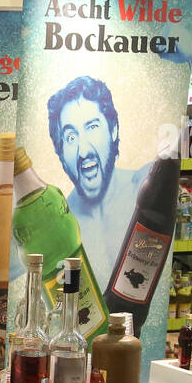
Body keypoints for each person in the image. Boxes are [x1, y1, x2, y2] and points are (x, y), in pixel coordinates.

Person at [45, 75, 147, 269]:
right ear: (60, 152)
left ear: (113, 129)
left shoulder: (145, 188)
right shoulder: (58, 227)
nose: (83, 151)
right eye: (71, 137)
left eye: (92, 127)